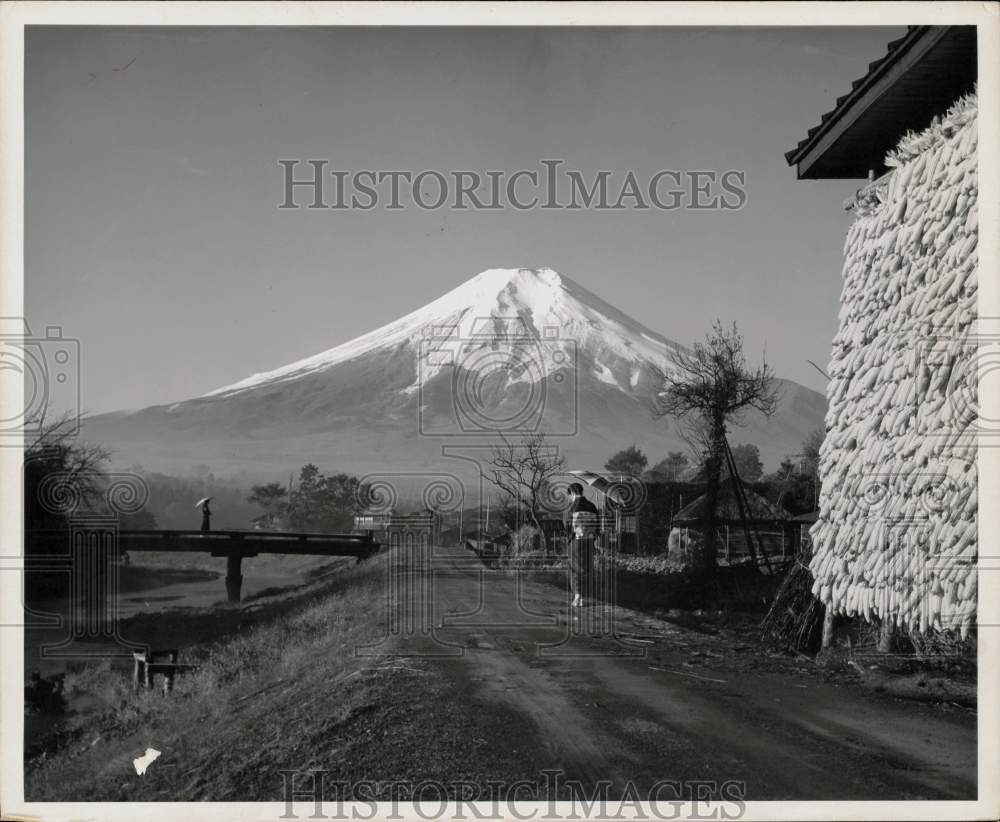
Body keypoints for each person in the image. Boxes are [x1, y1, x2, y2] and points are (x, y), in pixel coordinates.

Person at [565, 482, 599, 607]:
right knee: (587, 568)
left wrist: (569, 537)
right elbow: (597, 525)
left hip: (576, 541)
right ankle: (584, 597)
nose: (570, 498)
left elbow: (567, 525)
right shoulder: (592, 506)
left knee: (574, 568)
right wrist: (594, 537)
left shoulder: (572, 507)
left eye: (569, 495)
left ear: (572, 493)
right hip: (589, 540)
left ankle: (577, 595)